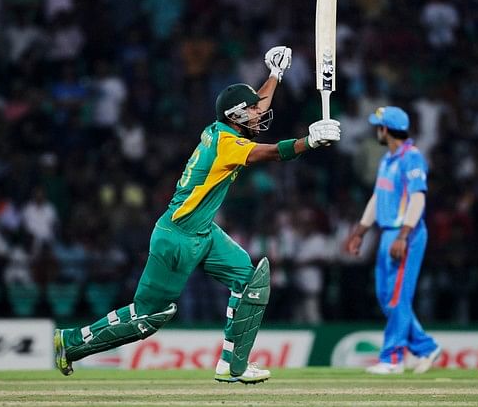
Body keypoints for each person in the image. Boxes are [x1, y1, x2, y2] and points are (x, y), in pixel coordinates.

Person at [54, 46, 341, 383]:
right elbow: (272, 154)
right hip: (177, 238)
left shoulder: (222, 129)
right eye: (250, 111)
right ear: (235, 116)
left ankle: (232, 364)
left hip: (202, 232)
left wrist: (275, 75)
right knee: (149, 317)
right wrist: (309, 141)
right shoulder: (228, 144)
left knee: (249, 279)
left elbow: (257, 106)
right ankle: (71, 342)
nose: (258, 114)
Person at [344, 106, 440, 374]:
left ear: (386, 129)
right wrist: (360, 232)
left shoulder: (412, 158)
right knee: (387, 297)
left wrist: (403, 235)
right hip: (388, 233)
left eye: (379, 126)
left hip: (405, 234)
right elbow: (378, 198)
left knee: (397, 297)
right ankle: (426, 347)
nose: (377, 130)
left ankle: (393, 359)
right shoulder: (388, 160)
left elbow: (418, 198)